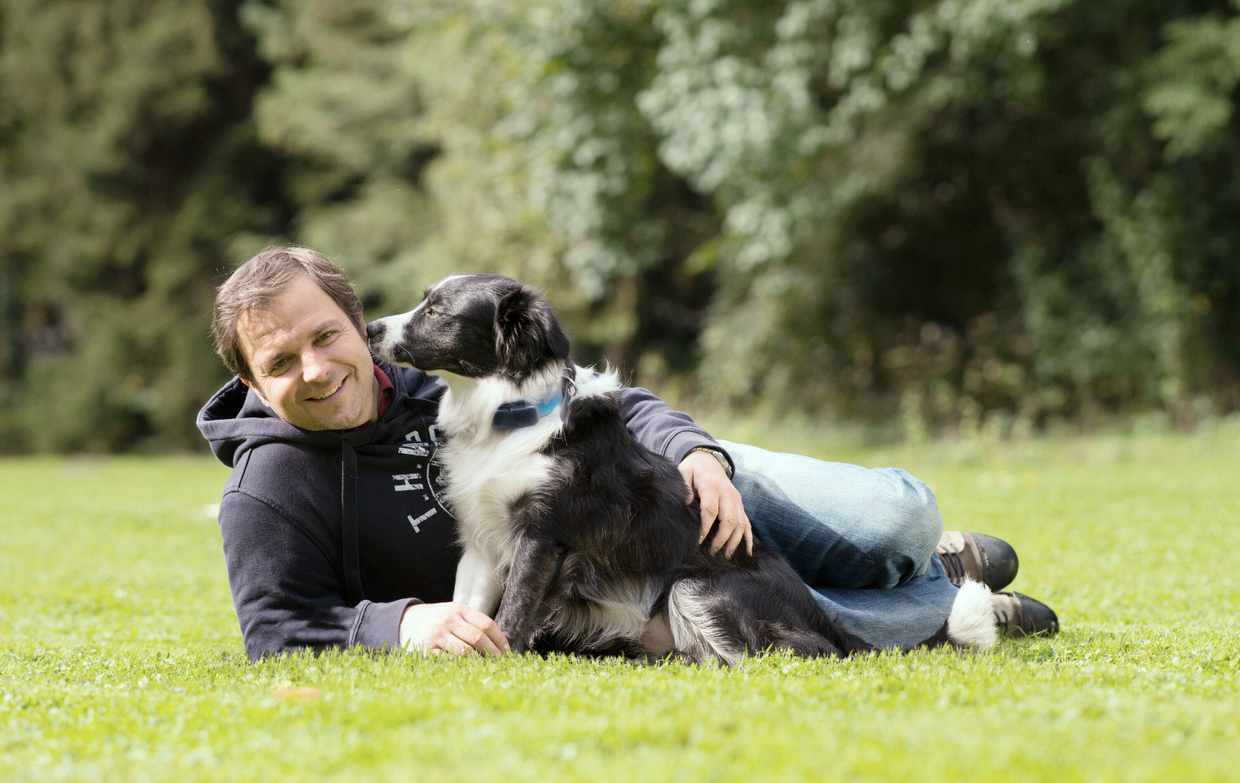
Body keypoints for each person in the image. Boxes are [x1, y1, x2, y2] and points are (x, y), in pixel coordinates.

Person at [197, 246, 1058, 661]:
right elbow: (274, 626)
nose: (315, 370)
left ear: (358, 325)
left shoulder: (447, 377)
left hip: (663, 481)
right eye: (280, 362)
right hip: (593, 582)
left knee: (894, 515)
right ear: (250, 379)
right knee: (733, 611)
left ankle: (919, 554)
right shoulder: (269, 490)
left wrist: (698, 453)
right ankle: (942, 599)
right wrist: (399, 619)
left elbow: (601, 397)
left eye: (325, 336)